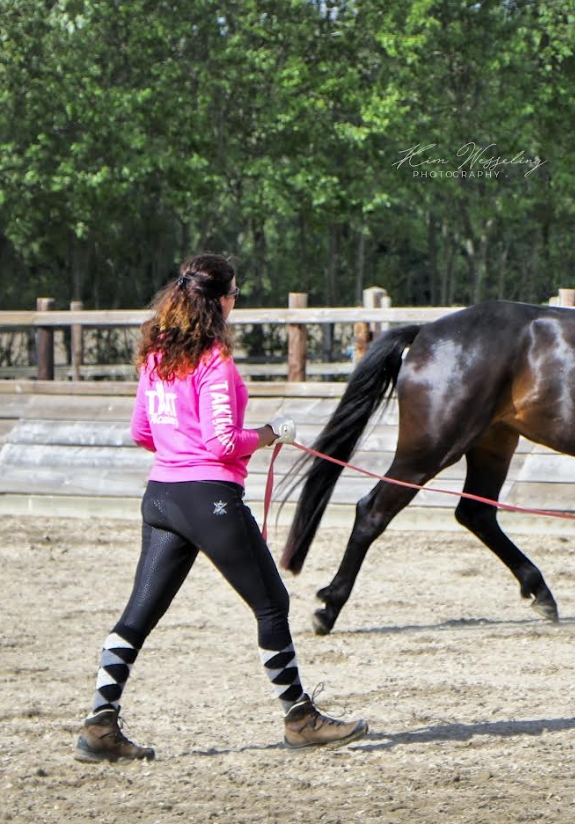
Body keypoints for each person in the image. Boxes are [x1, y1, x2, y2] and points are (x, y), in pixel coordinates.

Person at [75, 253, 368, 763]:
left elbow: (141, 432)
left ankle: (100, 725)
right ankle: (299, 719)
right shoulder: (213, 361)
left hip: (161, 496)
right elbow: (222, 441)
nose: (236, 301)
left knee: (137, 616)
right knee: (272, 604)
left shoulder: (155, 355)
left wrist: (177, 445)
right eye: (234, 294)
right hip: (207, 497)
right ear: (218, 301)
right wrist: (271, 433)